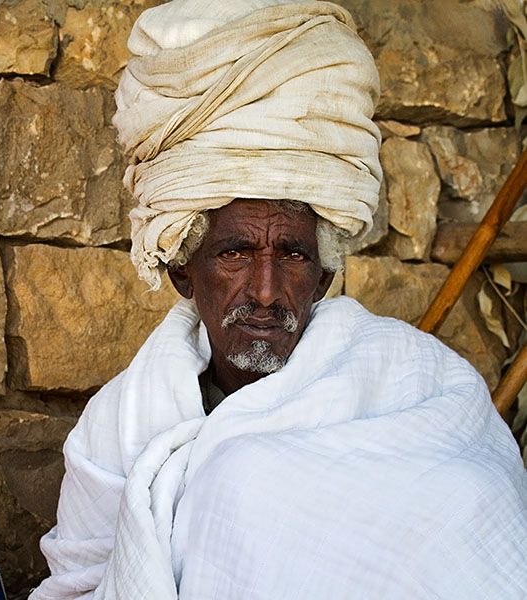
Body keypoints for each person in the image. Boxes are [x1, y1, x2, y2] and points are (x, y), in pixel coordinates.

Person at [30, 0, 527, 598]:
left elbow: (476, 529)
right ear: (184, 273)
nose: (265, 292)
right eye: (235, 254)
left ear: (322, 277)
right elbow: (82, 585)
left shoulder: (422, 385)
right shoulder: (117, 427)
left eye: (292, 256)